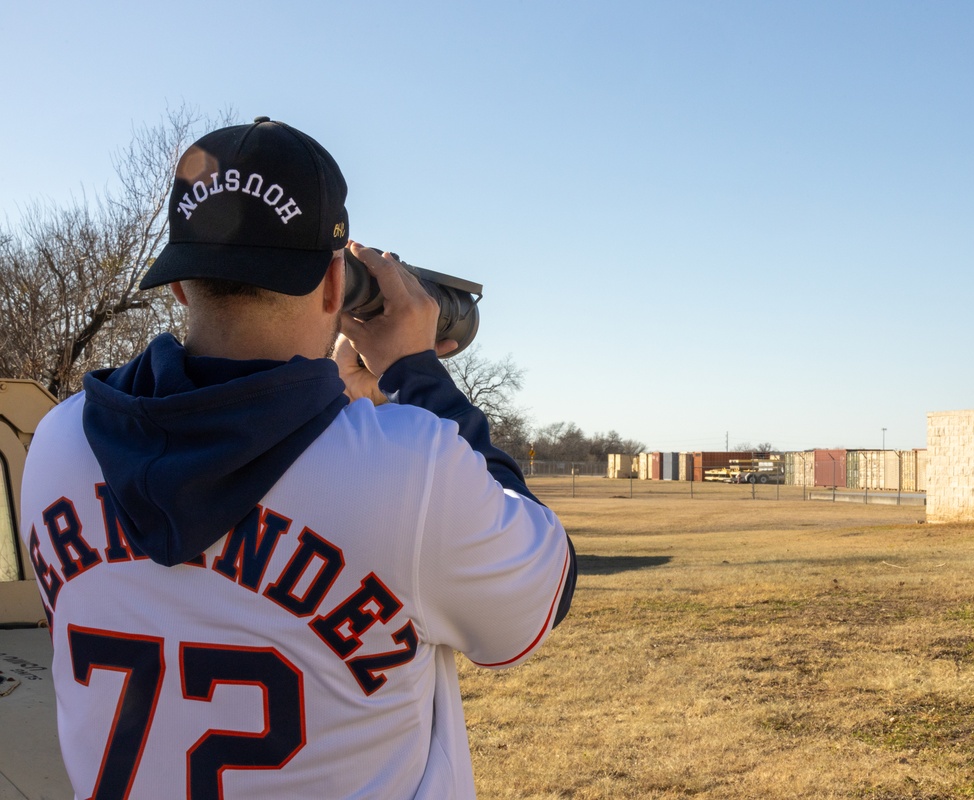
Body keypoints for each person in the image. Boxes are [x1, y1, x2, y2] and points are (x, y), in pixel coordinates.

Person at [19, 117, 575, 799]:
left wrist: (337, 402)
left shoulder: (58, 442)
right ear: (336, 288)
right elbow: (543, 590)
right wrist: (417, 376)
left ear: (180, 284)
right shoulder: (411, 469)